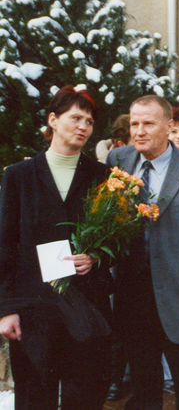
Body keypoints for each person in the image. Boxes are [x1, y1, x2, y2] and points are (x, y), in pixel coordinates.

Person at [107, 95, 179, 410]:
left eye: (148, 123)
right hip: (133, 297)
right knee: (144, 389)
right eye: (134, 123)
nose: (139, 131)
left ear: (169, 126)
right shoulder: (117, 160)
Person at [0, 85, 112, 410]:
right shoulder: (19, 176)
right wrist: (6, 309)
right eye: (75, 117)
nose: (83, 126)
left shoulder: (102, 176)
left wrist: (95, 259)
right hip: (35, 307)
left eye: (89, 122)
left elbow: (121, 241)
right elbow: (6, 243)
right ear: (53, 120)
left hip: (85, 305)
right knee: (35, 396)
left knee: (86, 394)